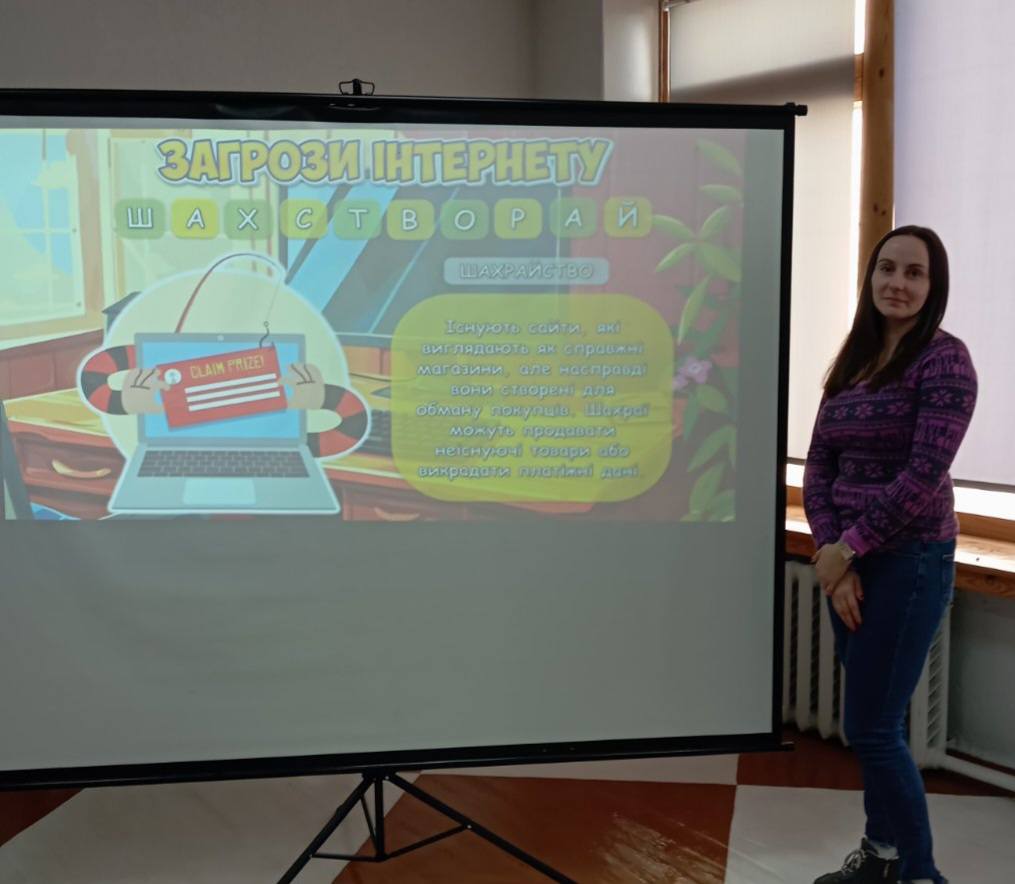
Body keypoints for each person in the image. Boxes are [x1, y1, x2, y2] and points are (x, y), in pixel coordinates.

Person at [803, 225, 977, 884]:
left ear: (933, 287)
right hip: (848, 564)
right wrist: (834, 553)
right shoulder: (855, 357)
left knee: (872, 729)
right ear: (870, 276)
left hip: (909, 561)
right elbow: (819, 463)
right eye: (886, 268)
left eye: (914, 273)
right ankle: (880, 857)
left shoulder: (945, 361)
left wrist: (848, 547)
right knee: (877, 727)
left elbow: (923, 475)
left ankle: (920, 873)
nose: (896, 283)